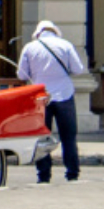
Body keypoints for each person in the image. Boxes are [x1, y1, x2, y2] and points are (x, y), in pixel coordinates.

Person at [18, 19, 86, 184]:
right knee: (68, 137)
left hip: (41, 98)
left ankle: (43, 174)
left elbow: (21, 74)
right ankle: (72, 172)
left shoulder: (30, 47)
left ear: (38, 33)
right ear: (55, 31)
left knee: (42, 137)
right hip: (64, 95)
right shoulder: (66, 45)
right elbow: (78, 69)